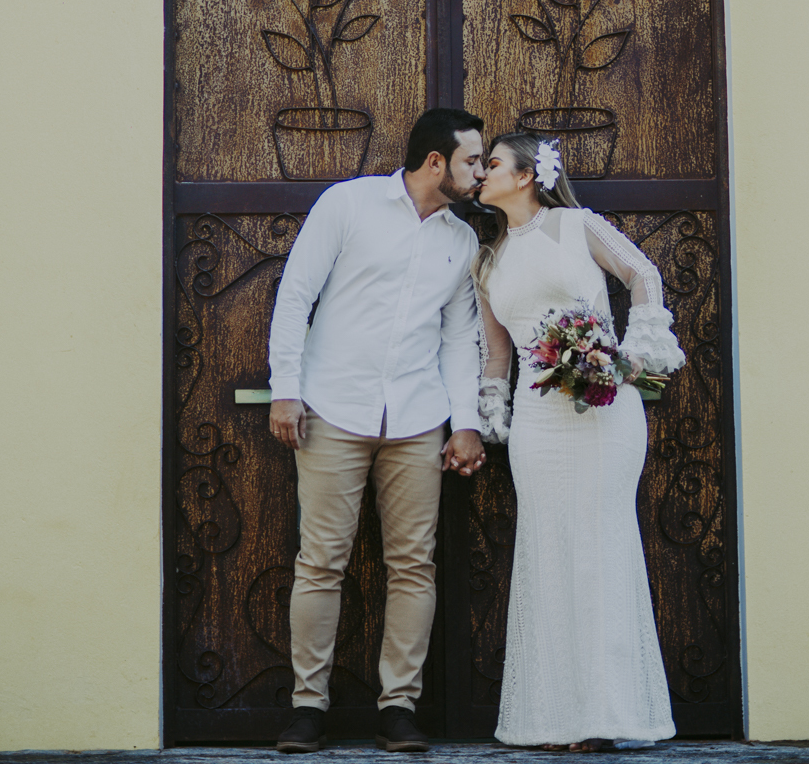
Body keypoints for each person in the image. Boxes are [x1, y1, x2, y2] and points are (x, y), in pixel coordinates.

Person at [268, 108, 489, 755]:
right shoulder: (348, 204)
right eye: (473, 161)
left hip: (418, 420)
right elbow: (295, 293)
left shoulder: (461, 240)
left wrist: (466, 424)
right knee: (320, 563)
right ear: (435, 163)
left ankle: (399, 707)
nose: (481, 172)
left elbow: (458, 340)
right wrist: (287, 387)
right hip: (333, 409)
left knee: (413, 566)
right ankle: (308, 708)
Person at [474, 133, 686, 751]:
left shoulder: (575, 224)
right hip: (539, 425)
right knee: (548, 552)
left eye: (492, 164)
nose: (483, 174)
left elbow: (640, 272)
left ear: (526, 176)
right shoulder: (487, 260)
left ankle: (607, 715)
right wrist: (492, 414)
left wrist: (634, 352)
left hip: (602, 410)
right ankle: (553, 716)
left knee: (601, 548)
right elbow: (496, 351)